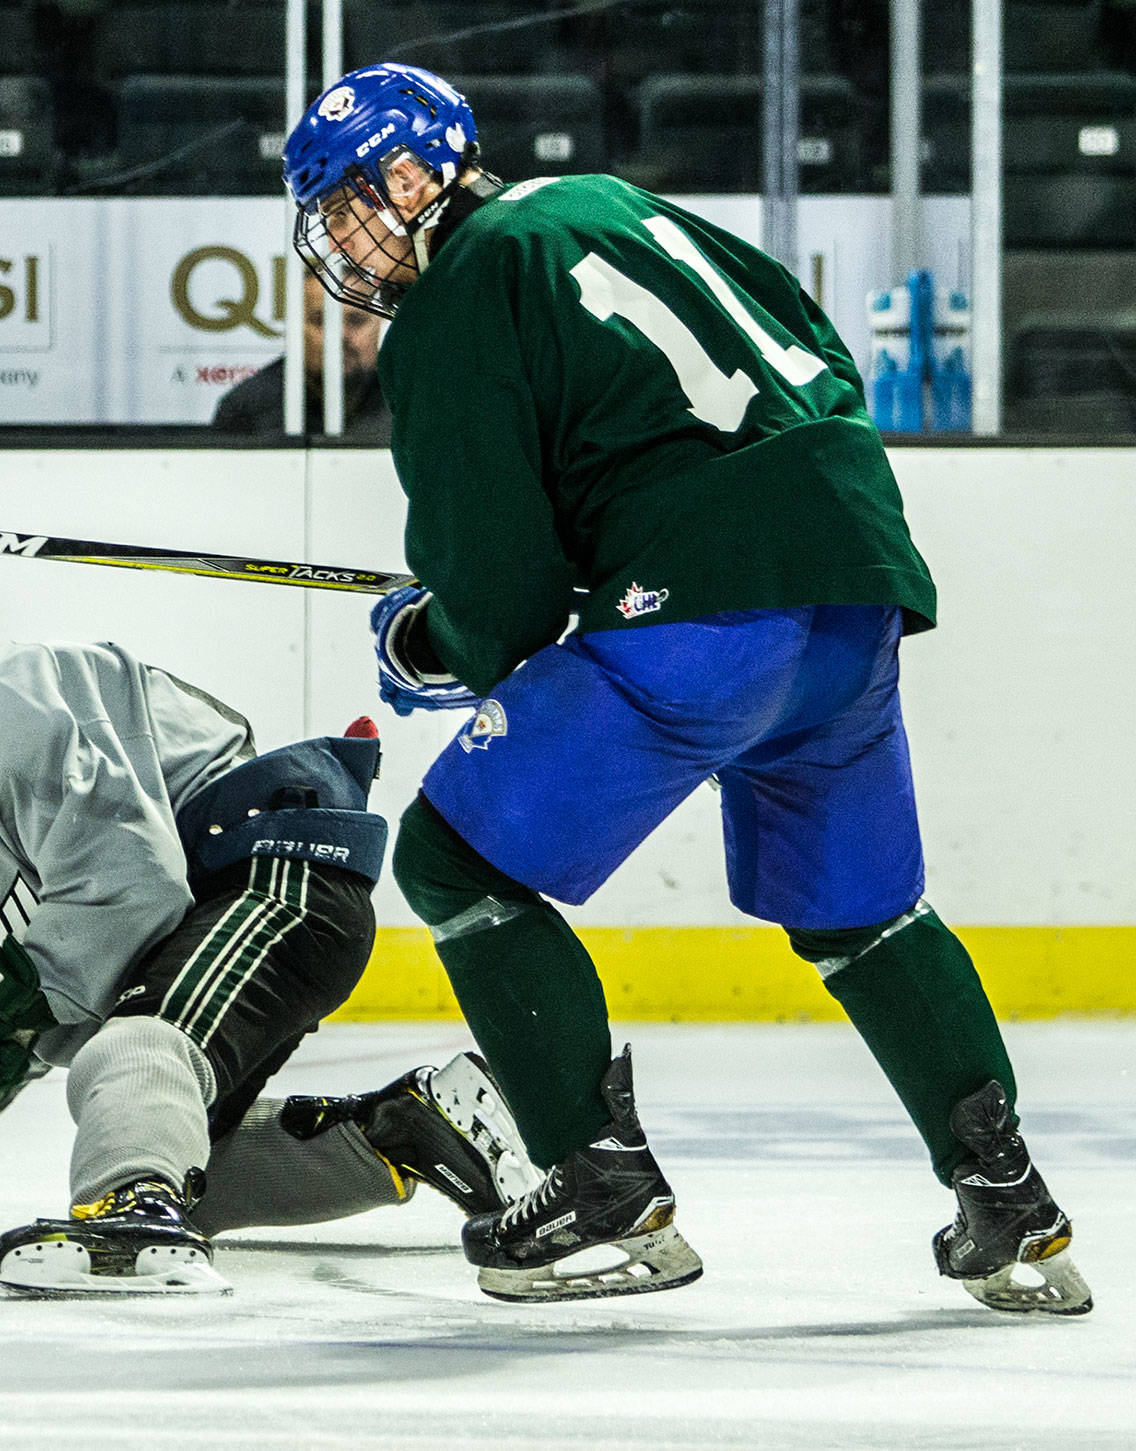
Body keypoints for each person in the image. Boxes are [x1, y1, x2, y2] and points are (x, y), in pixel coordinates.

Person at [279, 64, 1092, 1314]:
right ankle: (1010, 1202)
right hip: (847, 576)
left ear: (408, 176)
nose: (338, 240)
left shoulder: (453, 297)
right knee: (858, 908)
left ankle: (598, 1188)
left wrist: (431, 638)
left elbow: (497, 589)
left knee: (451, 859)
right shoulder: (604, 201)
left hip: (704, 619)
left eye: (343, 206)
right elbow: (805, 350)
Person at [0, 552, 537, 1294]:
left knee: (137, 1054)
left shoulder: (6, 695)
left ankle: (131, 1214)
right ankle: (413, 1129)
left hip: (274, 873)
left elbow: (130, 881)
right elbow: (28, 991)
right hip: (232, 901)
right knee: (182, 1157)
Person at [211, 271, 388, 442]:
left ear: (379, 324)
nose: (340, 334)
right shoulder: (246, 408)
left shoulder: (407, 399)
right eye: (320, 320)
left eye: (356, 320)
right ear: (295, 326)